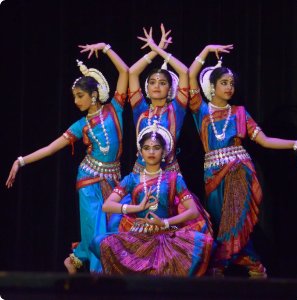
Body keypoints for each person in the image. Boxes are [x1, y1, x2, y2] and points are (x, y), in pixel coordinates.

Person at [6, 42, 129, 274]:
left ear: (94, 96)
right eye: (74, 97)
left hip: (114, 181)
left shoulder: (116, 108)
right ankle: (98, 285)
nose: (76, 101)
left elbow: (125, 71)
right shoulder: (80, 125)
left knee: (113, 230)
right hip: (89, 182)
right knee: (97, 234)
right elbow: (51, 148)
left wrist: (106, 48)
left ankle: (75, 261)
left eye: (80, 96)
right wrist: (20, 161)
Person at [188, 45, 297, 278]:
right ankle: (252, 262)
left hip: (240, 172)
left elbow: (264, 140)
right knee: (225, 223)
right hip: (212, 176)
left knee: (234, 219)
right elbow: (191, 74)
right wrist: (206, 50)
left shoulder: (240, 113)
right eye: (224, 83)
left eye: (231, 83)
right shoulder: (200, 110)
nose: (229, 87)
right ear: (212, 86)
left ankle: (219, 263)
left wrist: (294, 143)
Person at [90, 122, 213, 276]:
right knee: (101, 242)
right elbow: (107, 206)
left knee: (204, 243)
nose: (151, 152)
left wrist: (165, 222)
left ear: (164, 152)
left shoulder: (174, 179)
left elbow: (193, 212)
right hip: (138, 235)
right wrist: (137, 208)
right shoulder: (131, 179)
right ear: (140, 152)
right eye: (147, 148)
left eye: (156, 148)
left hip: (166, 233)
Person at [129, 24, 189, 173]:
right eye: (152, 82)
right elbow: (132, 73)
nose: (157, 86)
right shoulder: (140, 108)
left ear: (170, 89)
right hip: (141, 172)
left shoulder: (176, 109)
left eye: (162, 83)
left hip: (169, 173)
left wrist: (159, 50)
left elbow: (184, 72)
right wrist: (153, 51)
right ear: (147, 88)